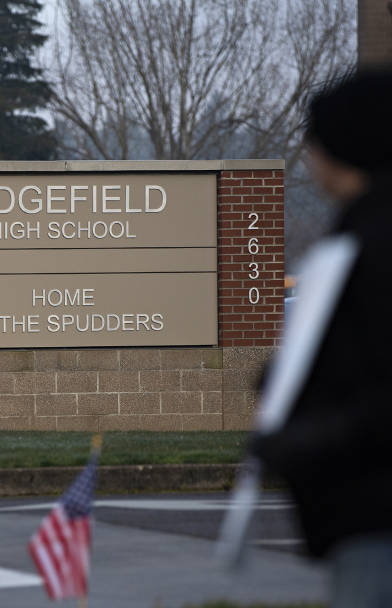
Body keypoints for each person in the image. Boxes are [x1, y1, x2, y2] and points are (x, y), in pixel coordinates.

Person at [251, 70, 392, 608]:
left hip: (377, 513)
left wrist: (326, 433)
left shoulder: (376, 244)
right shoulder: (355, 236)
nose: (310, 159)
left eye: (317, 142)